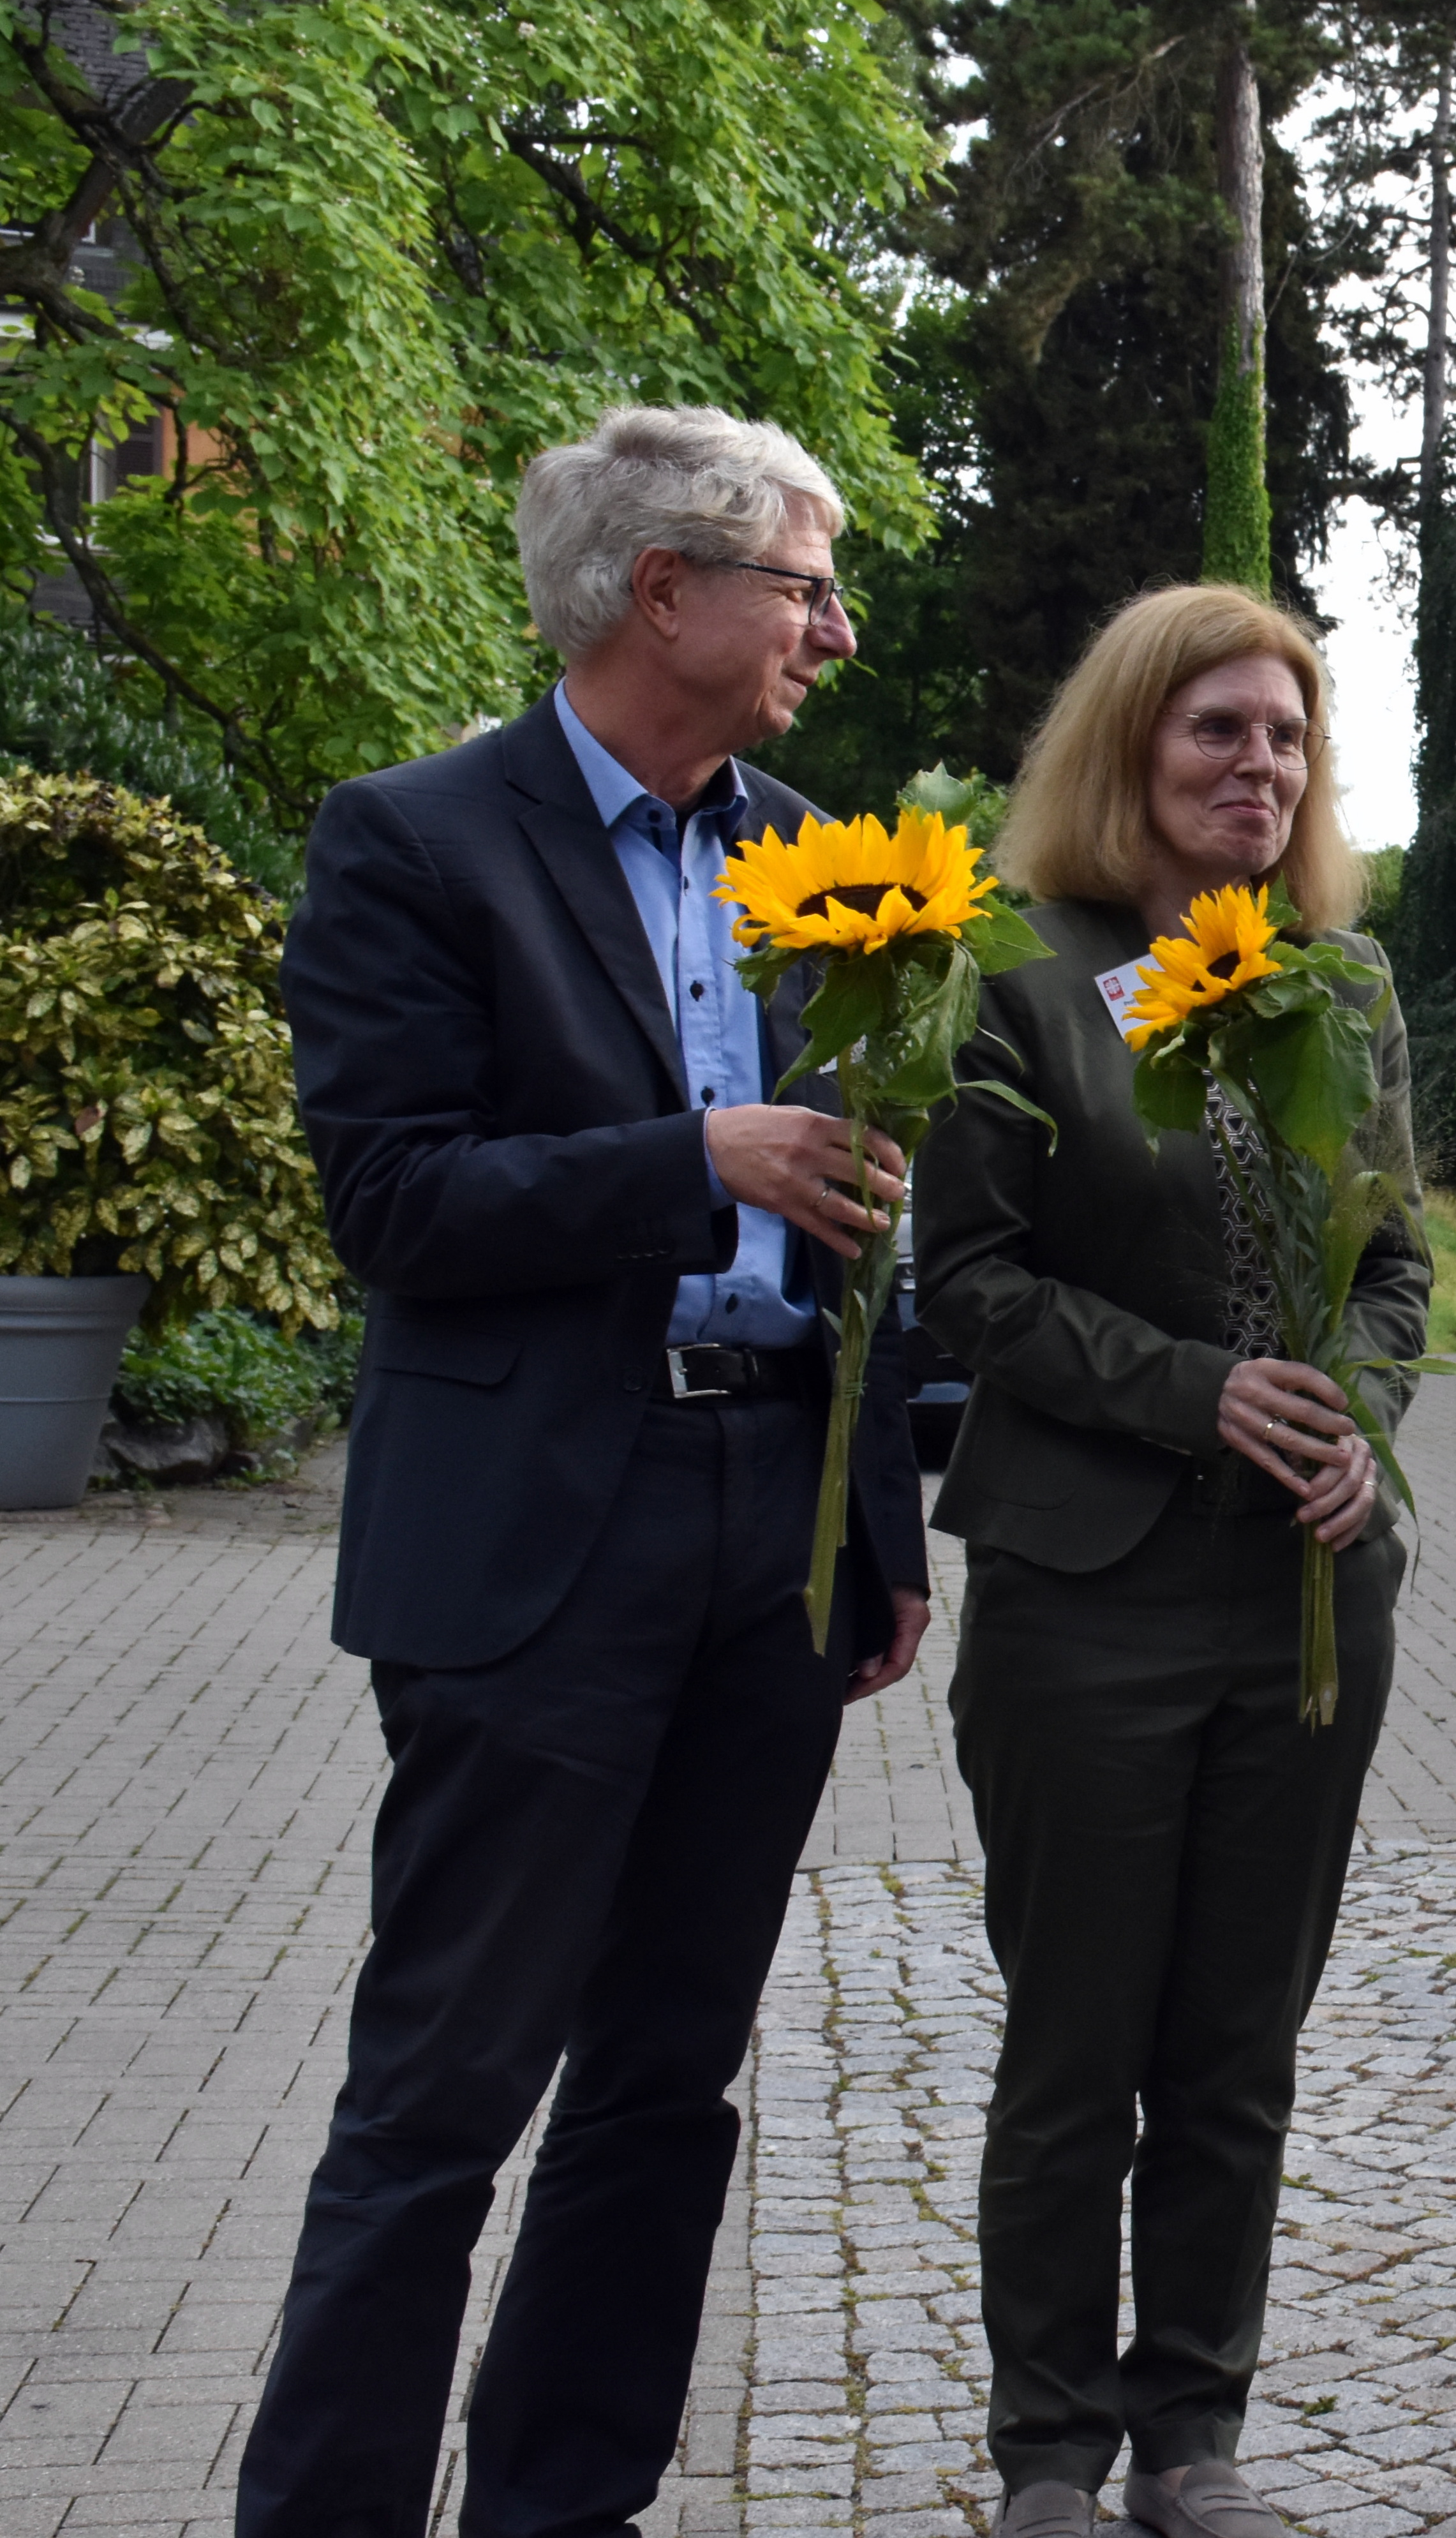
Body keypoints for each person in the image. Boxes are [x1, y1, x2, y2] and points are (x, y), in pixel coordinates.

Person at [253, 404, 930, 2534]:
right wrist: (687, 1163)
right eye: (803, 582)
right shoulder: (415, 839)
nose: (833, 623)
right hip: (539, 1537)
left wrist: (887, 1523)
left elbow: (875, 1226)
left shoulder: (827, 854)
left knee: (663, 2084)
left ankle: (564, 2504)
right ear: (665, 593)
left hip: (770, 1538)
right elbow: (391, 1206)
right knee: (442, 2095)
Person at [910, 585, 1423, 2538]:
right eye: (1219, 731)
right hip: (1086, 1596)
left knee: (1234, 2049)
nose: (1258, 768)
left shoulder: (1346, 986)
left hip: (1307, 1597)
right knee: (1076, 2049)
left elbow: (1391, 1263)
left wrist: (1344, 1420)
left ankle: (1191, 2441)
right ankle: (1049, 2449)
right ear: (1131, 748)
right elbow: (967, 1282)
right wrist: (1198, 1392)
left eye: (1287, 738)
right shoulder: (1015, 976)